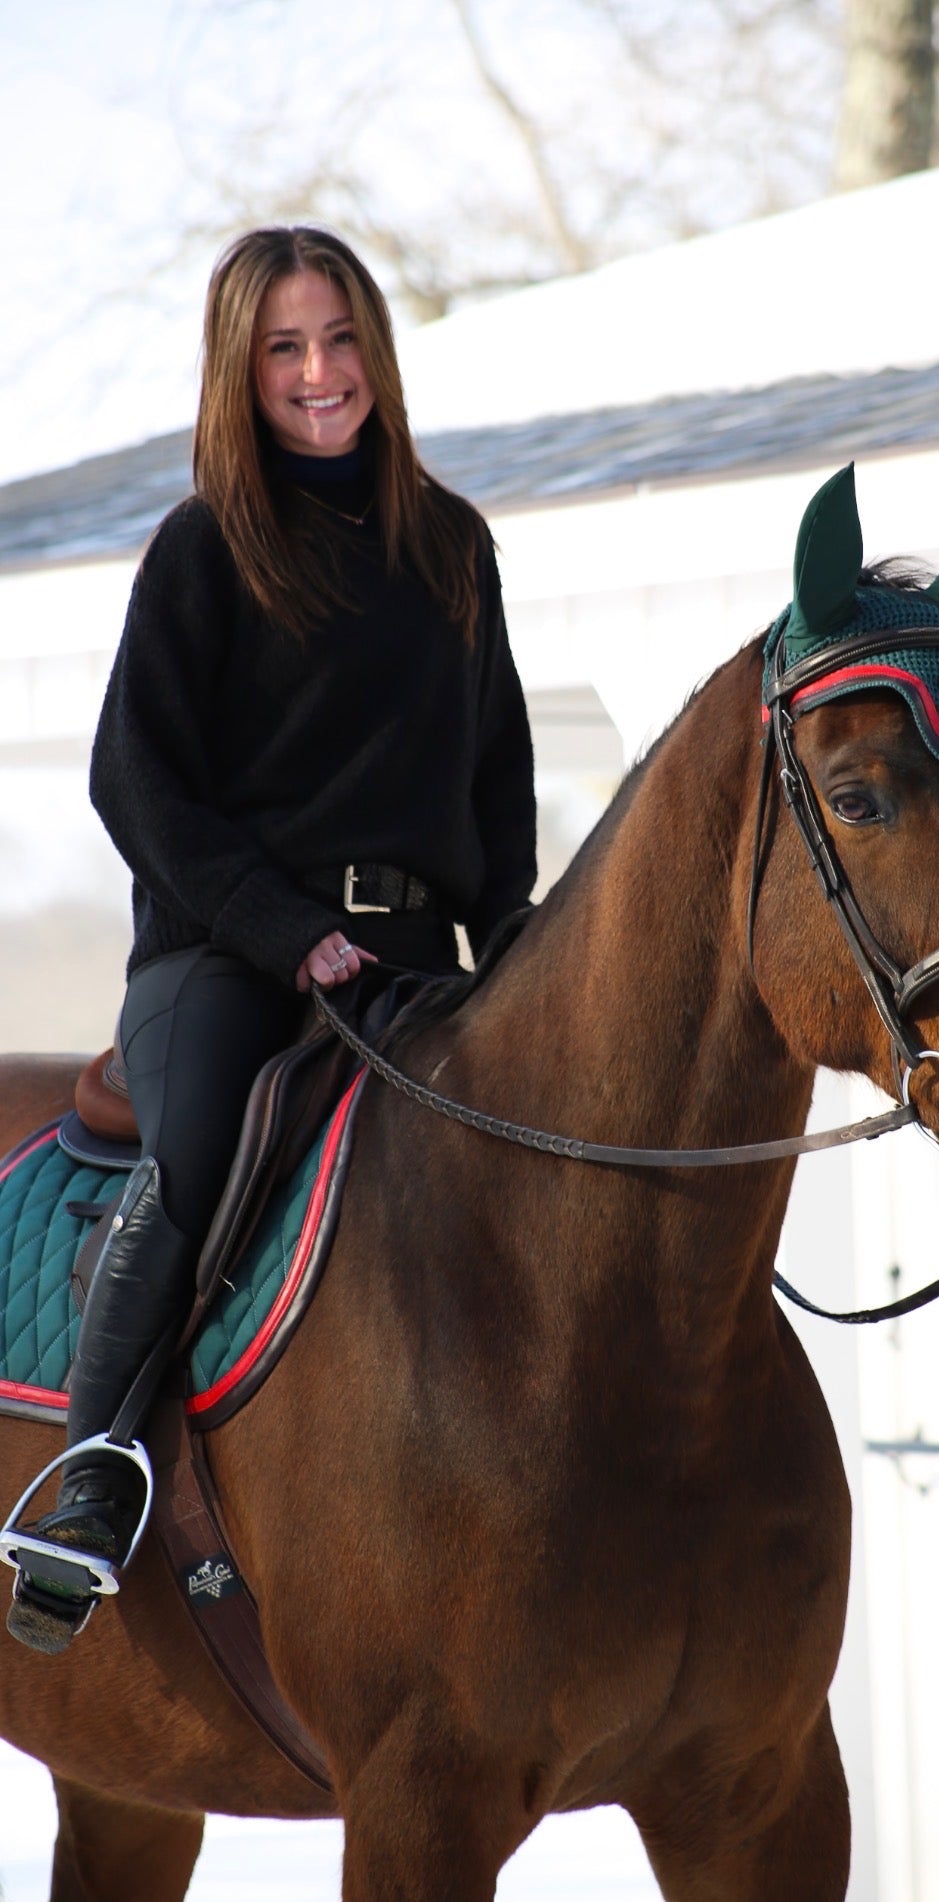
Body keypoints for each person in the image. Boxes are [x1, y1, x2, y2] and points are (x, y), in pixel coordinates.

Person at [5, 226, 537, 1653]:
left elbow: (494, 768)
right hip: (225, 958)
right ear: (241, 373)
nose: (320, 374)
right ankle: (91, 1479)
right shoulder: (201, 552)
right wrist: (283, 928)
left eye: (342, 340)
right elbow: (137, 782)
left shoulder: (452, 542)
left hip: (417, 959)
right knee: (187, 1173)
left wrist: (514, 935)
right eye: (286, 349)